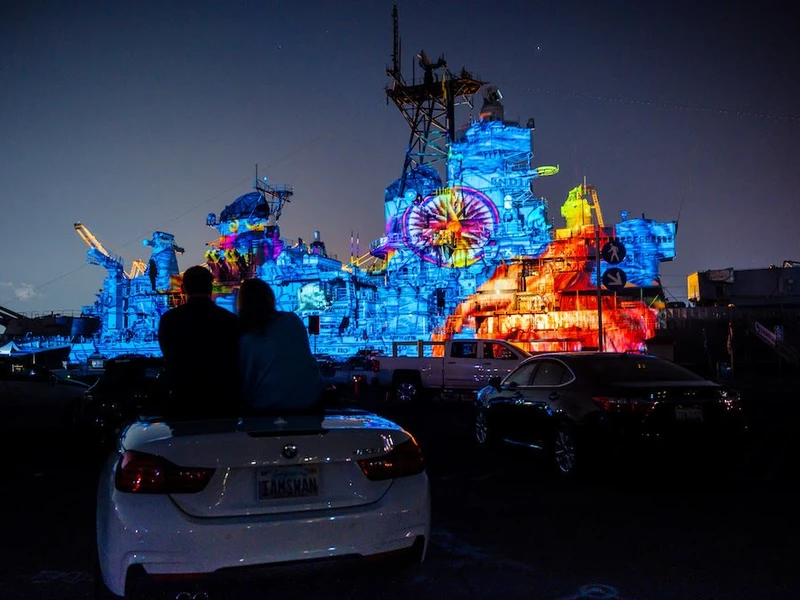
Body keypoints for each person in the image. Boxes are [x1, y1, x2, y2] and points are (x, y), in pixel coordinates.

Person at [157, 265, 240, 419]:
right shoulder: (230, 320)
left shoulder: (169, 319)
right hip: (222, 402)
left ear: (183, 288)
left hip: (183, 400)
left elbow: (167, 352)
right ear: (211, 287)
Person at [237, 278, 323, 413]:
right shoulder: (292, 321)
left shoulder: (245, 337)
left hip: (264, 409)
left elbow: (246, 381)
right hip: (308, 404)